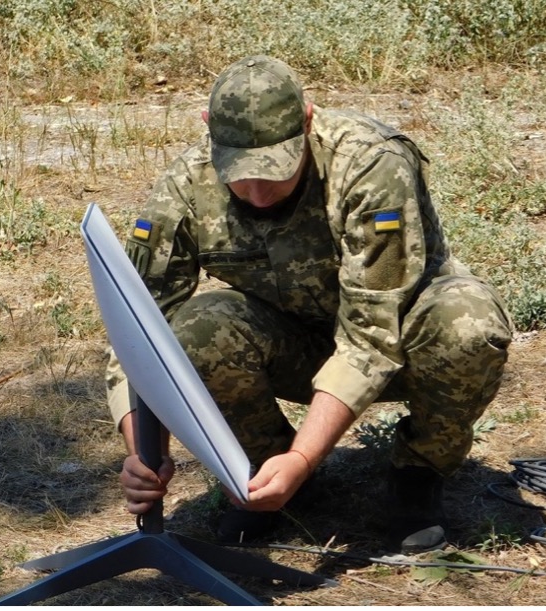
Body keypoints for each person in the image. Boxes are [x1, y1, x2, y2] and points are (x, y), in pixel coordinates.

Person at [105, 55, 513, 554]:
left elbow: (370, 335)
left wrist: (306, 456)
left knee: (467, 323)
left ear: (307, 120)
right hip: (294, 345)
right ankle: (263, 471)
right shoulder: (185, 186)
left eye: (274, 171)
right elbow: (138, 330)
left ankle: (418, 472)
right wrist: (143, 451)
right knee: (196, 331)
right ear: (209, 130)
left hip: (404, 342)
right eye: (238, 173)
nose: (256, 193)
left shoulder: (369, 164)